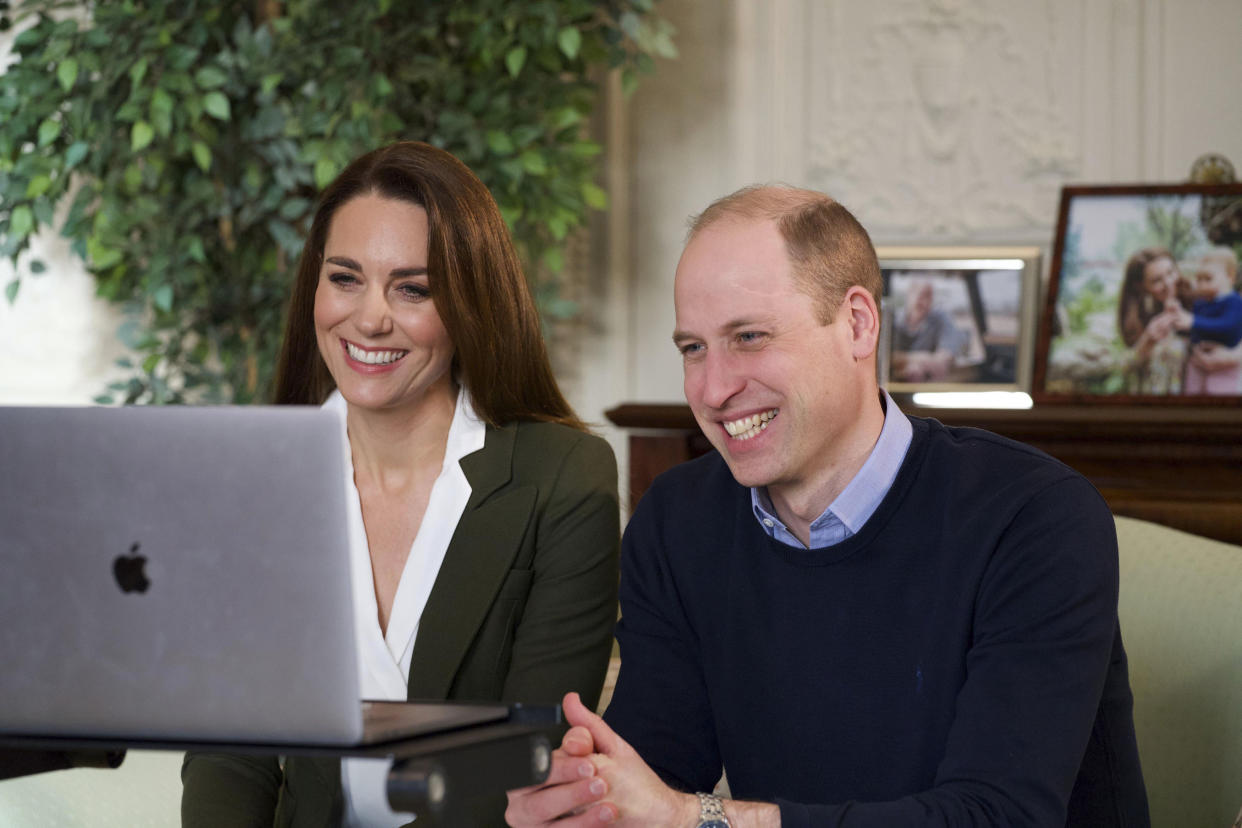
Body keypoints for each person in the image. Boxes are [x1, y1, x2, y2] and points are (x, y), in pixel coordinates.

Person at [506, 185, 1148, 826]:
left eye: (750, 337)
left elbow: (996, 816)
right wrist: (584, 801)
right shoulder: (678, 520)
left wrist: (696, 820)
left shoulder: (1036, 518)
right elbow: (654, 776)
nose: (713, 388)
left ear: (858, 325)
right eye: (693, 348)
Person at [181, 141, 620, 827]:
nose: (370, 318)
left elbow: (530, 758)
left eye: (412, 288)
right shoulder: (258, 482)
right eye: (345, 278)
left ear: (470, 305)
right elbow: (230, 756)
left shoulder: (565, 479)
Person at [1115, 246, 1189, 393]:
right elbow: (1122, 369)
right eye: (1157, 281)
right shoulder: (1136, 314)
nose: (1169, 284)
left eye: (1171, 272)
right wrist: (1147, 342)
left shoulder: (1198, 298)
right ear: (1141, 286)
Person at [1171, 247, 1242, 394]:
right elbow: (1191, 329)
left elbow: (1229, 326)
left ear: (1230, 276)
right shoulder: (1200, 303)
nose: (1202, 284)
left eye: (1208, 279)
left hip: (1225, 369)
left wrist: (1193, 322)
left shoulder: (1234, 302)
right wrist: (1177, 318)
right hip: (1197, 364)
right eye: (1199, 279)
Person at [890, 278, 967, 382]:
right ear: (909, 294)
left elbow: (944, 359)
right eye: (922, 295)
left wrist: (907, 361)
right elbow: (886, 359)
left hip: (929, 387)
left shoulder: (940, 318)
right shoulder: (892, 321)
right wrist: (923, 359)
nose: (925, 302)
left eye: (929, 297)